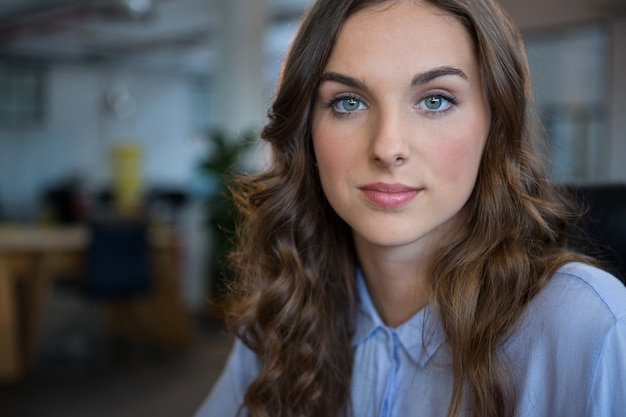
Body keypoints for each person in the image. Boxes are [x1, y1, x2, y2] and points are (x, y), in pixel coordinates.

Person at [194, 0, 626, 416]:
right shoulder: (286, 309)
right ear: (307, 129)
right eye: (348, 101)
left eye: (435, 100)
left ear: (495, 124)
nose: (387, 148)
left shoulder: (585, 324)